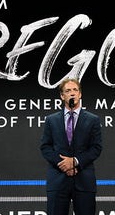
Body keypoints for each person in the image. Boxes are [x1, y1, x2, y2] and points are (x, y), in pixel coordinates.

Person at [40, 78, 103, 215]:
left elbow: (96, 148)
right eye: (68, 91)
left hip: (84, 180)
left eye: (75, 90)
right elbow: (45, 147)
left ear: (80, 94)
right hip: (58, 180)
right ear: (62, 96)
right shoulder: (51, 120)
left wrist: (75, 162)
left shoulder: (93, 120)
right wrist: (63, 164)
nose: (72, 93)